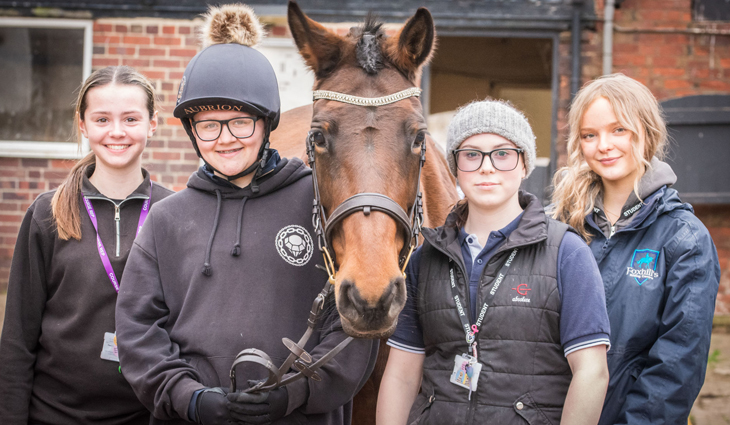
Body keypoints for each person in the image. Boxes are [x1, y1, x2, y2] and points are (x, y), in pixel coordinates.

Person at [114, 5, 377, 425]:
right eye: (209, 125)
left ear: (266, 122)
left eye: (239, 123)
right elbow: (138, 333)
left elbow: (355, 321)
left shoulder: (321, 204)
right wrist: (191, 399)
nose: (225, 139)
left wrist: (296, 392)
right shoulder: (166, 220)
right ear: (191, 131)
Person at [377, 99, 611, 425]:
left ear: (525, 164)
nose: (487, 167)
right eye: (471, 154)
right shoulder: (424, 259)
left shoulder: (567, 253)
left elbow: (591, 373)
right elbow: (401, 376)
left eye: (503, 154)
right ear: (455, 166)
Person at [0, 66, 172, 424]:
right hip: (54, 414)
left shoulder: (175, 215)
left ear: (152, 124)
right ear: (83, 125)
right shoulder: (48, 213)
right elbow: (18, 339)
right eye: (102, 119)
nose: (116, 132)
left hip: (145, 414)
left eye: (130, 118)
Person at [550, 73, 720, 424]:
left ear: (646, 132)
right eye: (589, 135)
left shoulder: (684, 239)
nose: (604, 145)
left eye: (618, 130)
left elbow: (678, 364)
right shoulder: (559, 226)